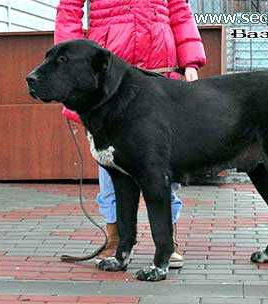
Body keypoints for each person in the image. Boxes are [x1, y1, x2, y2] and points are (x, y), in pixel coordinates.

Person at [54, 0, 206, 269]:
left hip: (159, 68)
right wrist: (71, 65)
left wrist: (190, 59)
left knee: (162, 162)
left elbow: (180, 10)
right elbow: (68, 11)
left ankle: (167, 240)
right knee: (110, 162)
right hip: (107, 71)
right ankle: (116, 238)